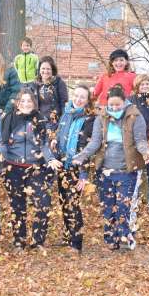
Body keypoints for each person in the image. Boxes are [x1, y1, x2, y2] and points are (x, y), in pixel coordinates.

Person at [71, 85, 149, 251]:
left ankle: (125, 235)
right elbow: (95, 142)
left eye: (118, 105)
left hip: (126, 170)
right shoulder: (101, 117)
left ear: (124, 102)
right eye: (111, 105)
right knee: (108, 206)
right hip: (105, 170)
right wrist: (82, 155)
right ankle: (111, 238)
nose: (114, 108)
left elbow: (140, 141)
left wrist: (147, 152)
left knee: (123, 206)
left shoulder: (135, 116)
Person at [0, 88, 55, 251]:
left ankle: (38, 241)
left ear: (34, 103)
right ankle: (19, 241)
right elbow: (3, 143)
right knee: (17, 206)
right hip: (13, 167)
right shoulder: (9, 118)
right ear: (17, 103)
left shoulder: (40, 119)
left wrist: (50, 159)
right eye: (22, 101)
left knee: (43, 203)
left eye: (29, 101)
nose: (25, 104)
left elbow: (44, 144)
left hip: (36, 168)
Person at [46, 84, 96, 253]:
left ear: (87, 100)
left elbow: (88, 148)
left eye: (82, 97)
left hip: (77, 167)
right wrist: (55, 140)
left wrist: (83, 174)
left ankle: (76, 243)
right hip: (63, 165)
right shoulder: (66, 113)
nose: (78, 99)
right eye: (76, 95)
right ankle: (68, 237)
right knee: (64, 202)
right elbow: (60, 133)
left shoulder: (90, 119)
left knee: (73, 204)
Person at [128, 74, 149, 213]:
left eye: (147, 84)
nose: (145, 86)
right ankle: (134, 199)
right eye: (142, 84)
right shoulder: (131, 100)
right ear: (137, 86)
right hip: (136, 140)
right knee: (136, 172)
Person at [31, 55, 69, 131]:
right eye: (43, 68)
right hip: (39, 121)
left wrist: (62, 122)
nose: (45, 71)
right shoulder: (35, 84)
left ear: (52, 70)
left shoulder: (59, 83)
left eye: (48, 69)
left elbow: (64, 105)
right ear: (39, 70)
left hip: (54, 122)